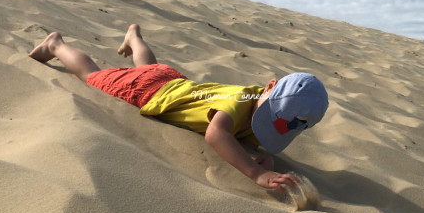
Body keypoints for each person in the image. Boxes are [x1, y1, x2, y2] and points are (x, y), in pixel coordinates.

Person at [29, 24, 329, 192]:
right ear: (268, 86)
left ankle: (134, 38)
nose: (264, 126)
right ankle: (56, 44)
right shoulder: (240, 103)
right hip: (150, 92)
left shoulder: (256, 100)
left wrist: (263, 156)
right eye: (266, 118)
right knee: (91, 75)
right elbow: (217, 134)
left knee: (149, 66)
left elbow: (246, 134)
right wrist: (254, 172)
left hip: (172, 81)